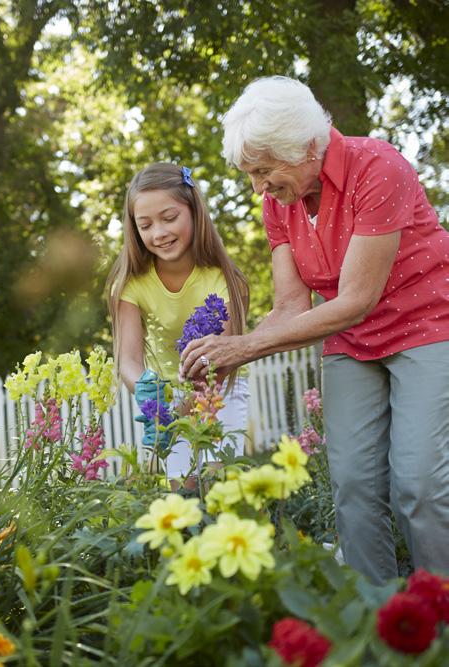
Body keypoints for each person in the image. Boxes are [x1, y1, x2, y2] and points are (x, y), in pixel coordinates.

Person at [180, 76, 449, 584]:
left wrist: (243, 347)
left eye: (264, 171)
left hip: (427, 326)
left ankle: (440, 615)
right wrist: (229, 353)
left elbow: (355, 300)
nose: (258, 188)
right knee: (352, 486)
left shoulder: (378, 167)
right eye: (250, 174)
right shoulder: (278, 203)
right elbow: (289, 307)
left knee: (418, 484)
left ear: (307, 148)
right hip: (351, 341)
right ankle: (377, 625)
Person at [106, 163, 250, 478]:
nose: (159, 233)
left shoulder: (220, 279)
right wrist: (148, 392)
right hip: (168, 402)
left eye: (169, 218)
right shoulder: (131, 284)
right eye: (145, 225)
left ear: (194, 212)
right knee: (181, 492)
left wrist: (186, 402)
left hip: (220, 391)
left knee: (218, 481)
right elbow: (127, 360)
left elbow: (219, 365)